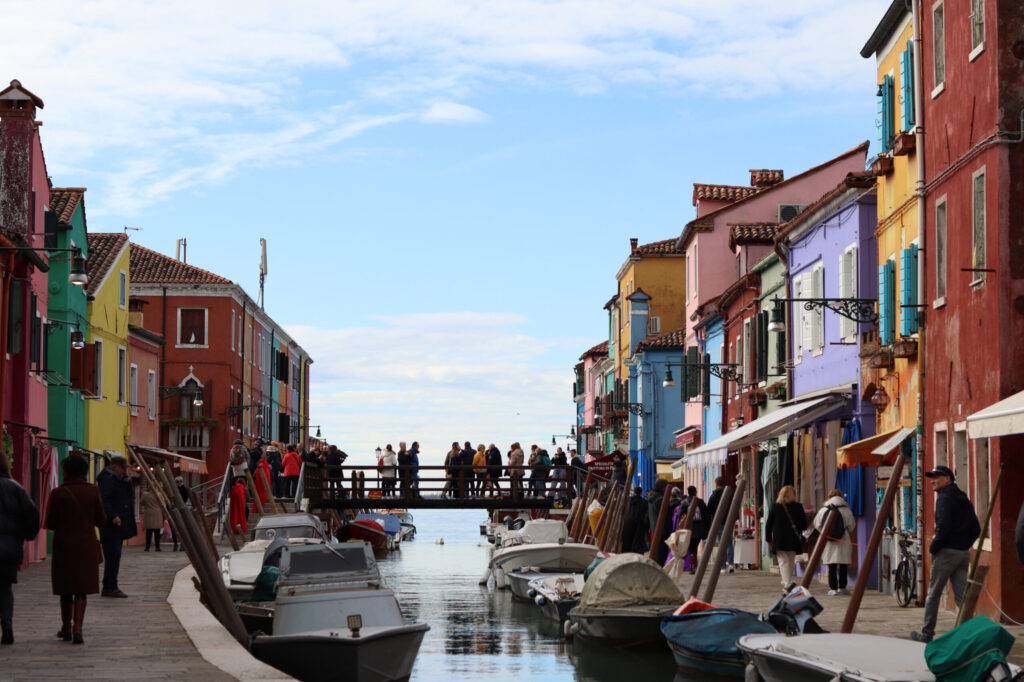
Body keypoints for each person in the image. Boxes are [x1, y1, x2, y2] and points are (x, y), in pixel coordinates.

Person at [912, 465, 981, 643]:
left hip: (946, 552)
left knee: (933, 593)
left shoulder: (944, 498)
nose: (933, 480)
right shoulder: (963, 497)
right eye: (931, 477)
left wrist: (934, 547)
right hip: (962, 553)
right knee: (961, 597)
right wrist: (964, 545)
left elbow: (943, 527)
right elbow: (977, 528)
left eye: (937, 477)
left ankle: (927, 634)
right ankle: (969, 634)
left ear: (948, 479)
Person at [0, 451, 40, 645]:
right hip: (8, 549)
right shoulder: (15, 488)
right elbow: (32, 514)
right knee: (5, 588)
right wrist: (26, 535)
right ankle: (6, 624)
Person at [97, 455, 136, 598]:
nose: (124, 471)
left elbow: (129, 495)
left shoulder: (117, 479)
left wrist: (127, 481)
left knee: (115, 556)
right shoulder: (107, 479)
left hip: (118, 524)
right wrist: (113, 516)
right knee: (113, 556)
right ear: (115, 467)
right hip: (112, 525)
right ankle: (109, 586)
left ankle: (110, 585)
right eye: (123, 469)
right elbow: (104, 499)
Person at [765, 485, 806, 589]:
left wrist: (768, 538)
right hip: (793, 539)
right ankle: (786, 581)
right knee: (791, 560)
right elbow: (804, 524)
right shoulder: (798, 506)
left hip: (779, 539)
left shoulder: (775, 507)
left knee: (783, 561)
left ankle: (787, 583)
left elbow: (768, 524)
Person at [678, 486, 709, 573]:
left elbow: (680, 515)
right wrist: (707, 528)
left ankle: (693, 566)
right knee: (694, 546)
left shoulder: (684, 502)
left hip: (689, 527)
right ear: (695, 492)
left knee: (691, 547)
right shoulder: (700, 502)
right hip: (699, 527)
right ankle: (694, 565)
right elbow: (705, 516)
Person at [706, 476, 734, 569]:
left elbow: (709, 510)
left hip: (718, 521)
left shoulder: (714, 495)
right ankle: (731, 564)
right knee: (729, 542)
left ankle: (723, 566)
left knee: (720, 542)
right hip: (729, 520)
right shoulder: (730, 494)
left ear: (716, 484)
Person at [621, 486, 649, 553]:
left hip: (628, 521)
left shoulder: (628, 500)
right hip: (639, 523)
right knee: (636, 540)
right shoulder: (644, 502)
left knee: (627, 539)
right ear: (641, 492)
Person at [140, 483, 164, 552]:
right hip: (157, 513)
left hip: (148, 513)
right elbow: (163, 504)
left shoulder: (145, 495)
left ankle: (147, 547)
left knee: (148, 532)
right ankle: (157, 547)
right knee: (157, 532)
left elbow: (141, 503)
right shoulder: (159, 495)